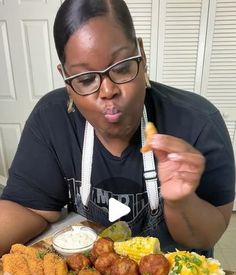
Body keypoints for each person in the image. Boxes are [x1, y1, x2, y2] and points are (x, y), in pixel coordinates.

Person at [0, 0, 235, 257]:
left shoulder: (198, 122)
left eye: (122, 68)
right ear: (66, 79)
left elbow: (208, 235)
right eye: (86, 79)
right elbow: (30, 208)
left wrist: (181, 201)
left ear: (142, 55)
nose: (108, 91)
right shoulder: (51, 120)